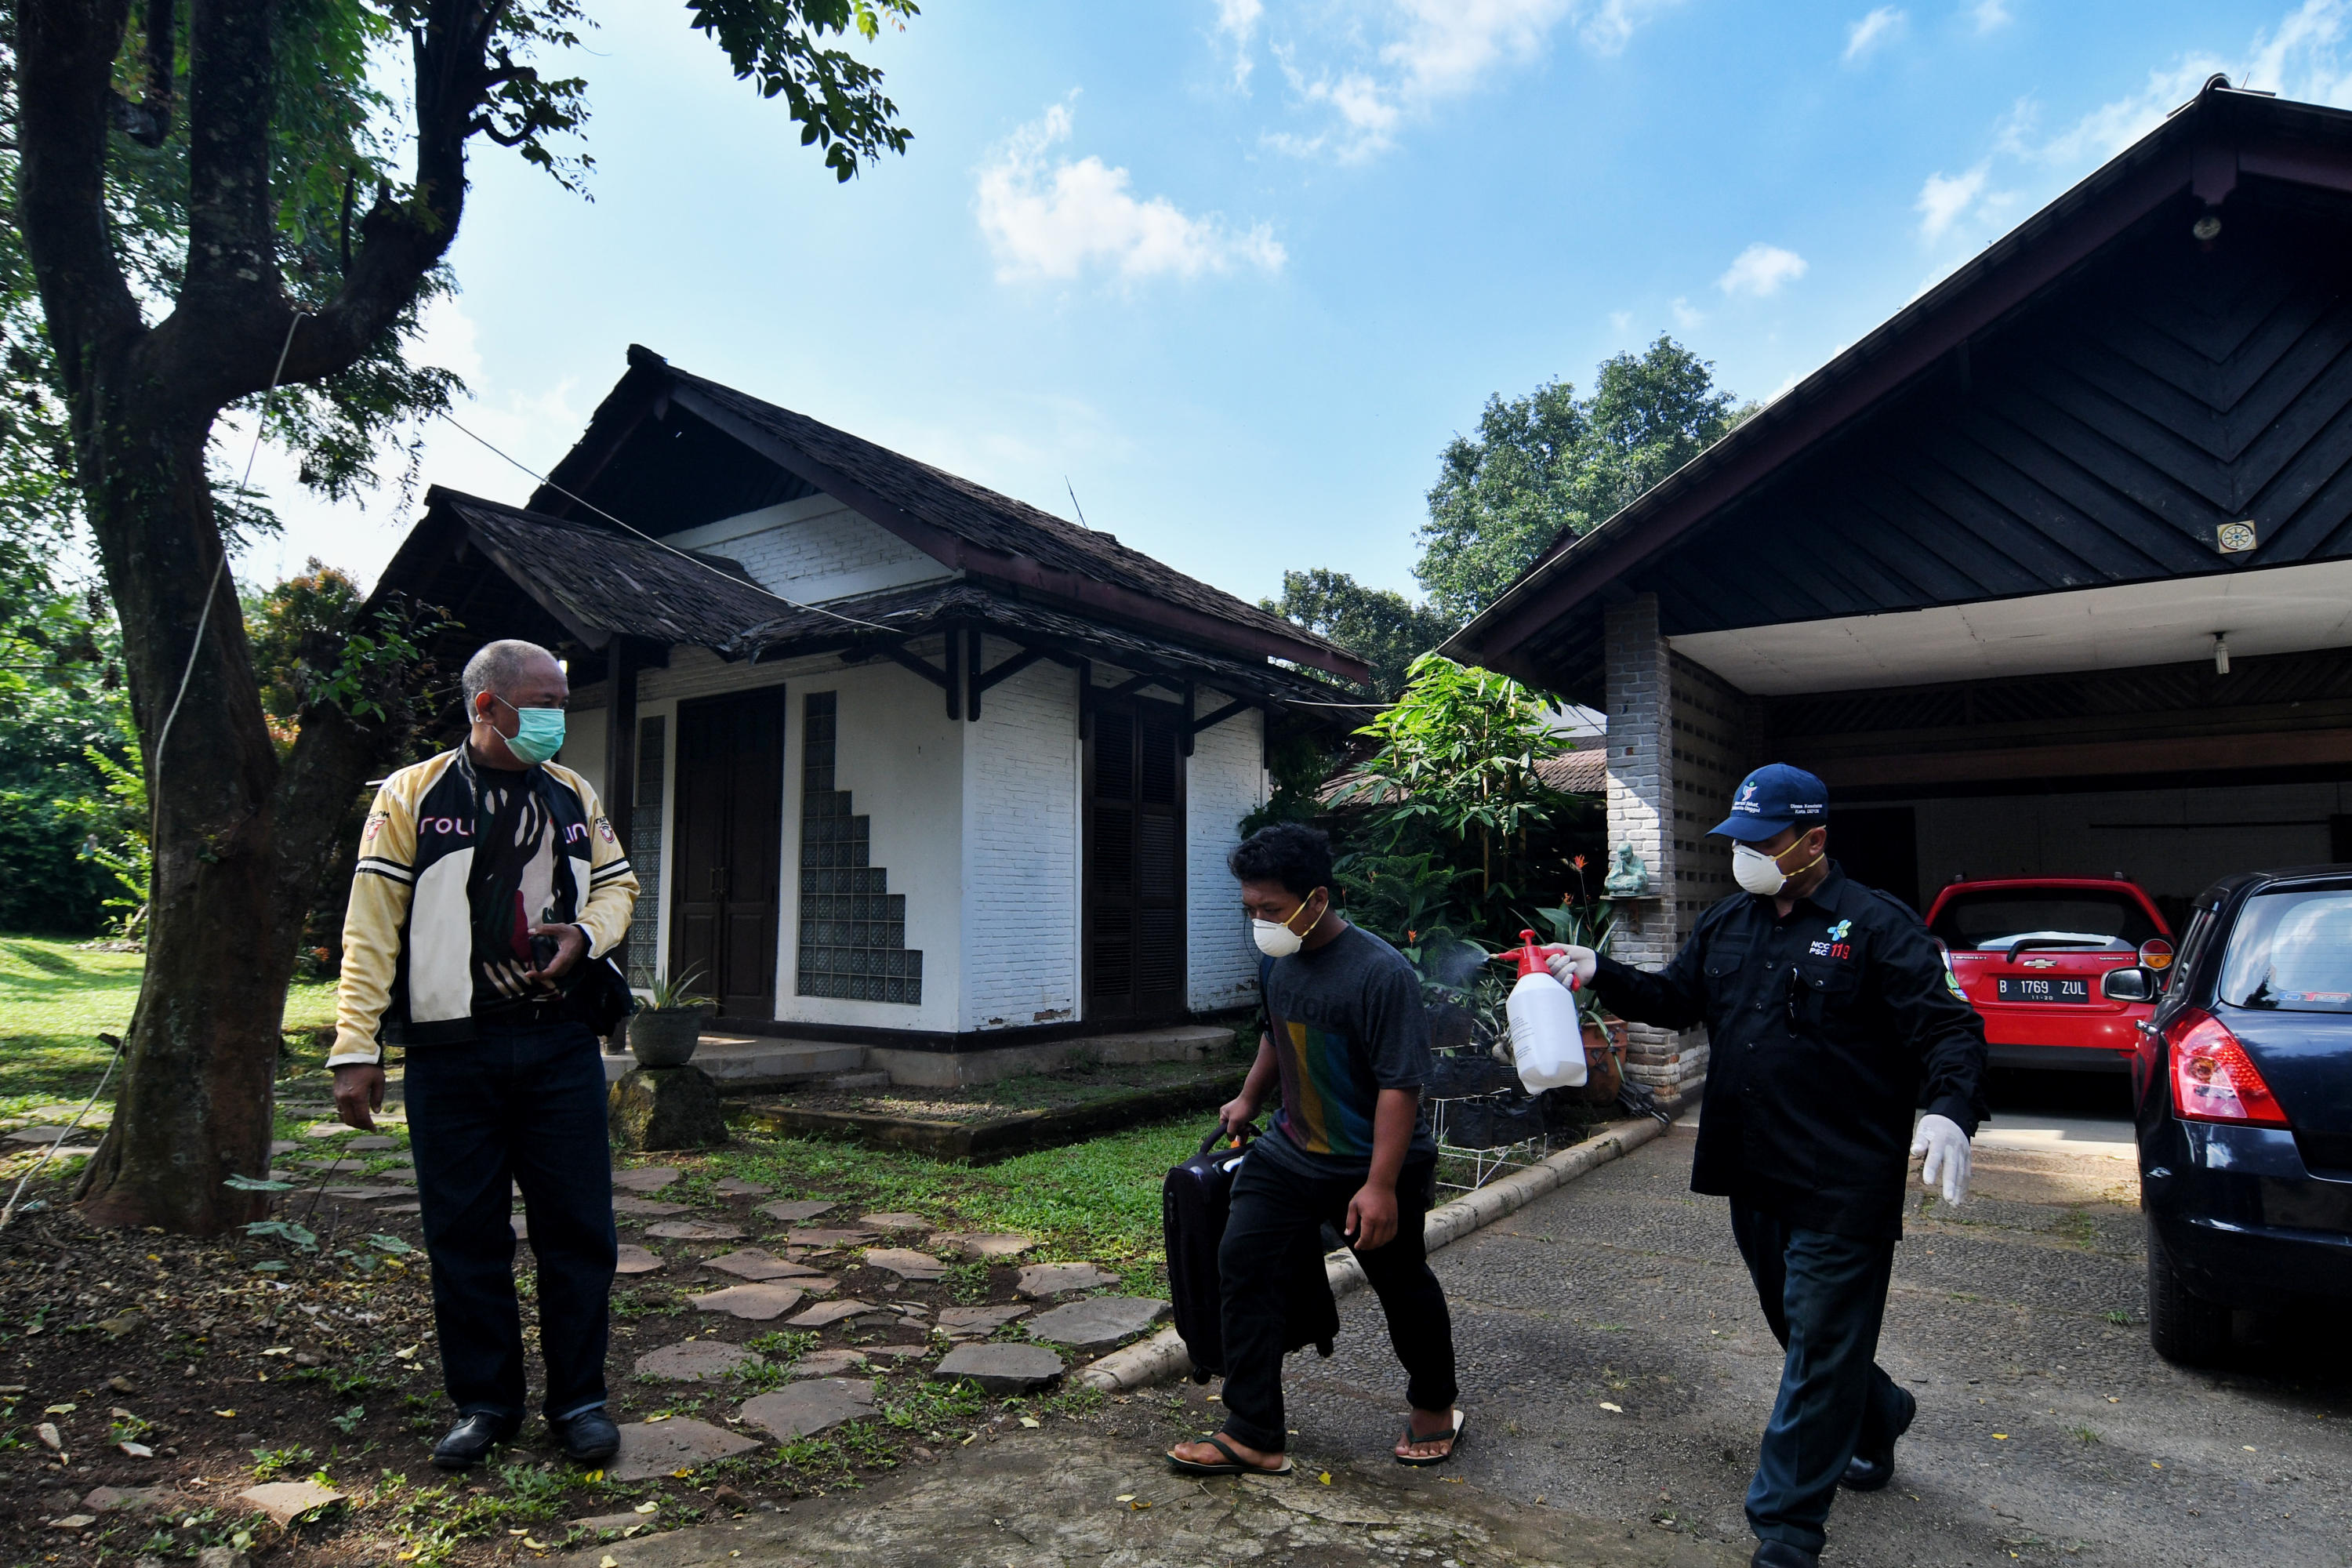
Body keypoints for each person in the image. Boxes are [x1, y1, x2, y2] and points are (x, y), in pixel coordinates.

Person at [1545, 764, 1985, 1568]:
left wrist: (1949, 1110)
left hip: (1844, 1175)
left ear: (1814, 841)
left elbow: (1951, 1028)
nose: (1744, 853)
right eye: (1738, 838)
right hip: (1753, 1165)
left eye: (1763, 840)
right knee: (1801, 1328)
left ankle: (1785, 1533)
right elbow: (1677, 1000)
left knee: (1817, 1346)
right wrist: (1598, 971)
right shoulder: (1728, 922)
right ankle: (1879, 1410)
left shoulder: (1875, 925)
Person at [326, 638, 640, 1471]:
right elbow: (371, 926)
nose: (557, 718)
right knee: (464, 1235)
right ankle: (485, 1402)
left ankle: (579, 1401)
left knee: (579, 1231)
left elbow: (618, 883)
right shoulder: (414, 793)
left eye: (563, 704)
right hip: (450, 1050)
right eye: (543, 704)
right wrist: (356, 1045)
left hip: (559, 1044)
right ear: (487, 706)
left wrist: (587, 934)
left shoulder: (572, 792)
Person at [1166, 822, 1463, 1477]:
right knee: (1241, 1263)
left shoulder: (1380, 973)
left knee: (1400, 1284)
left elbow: (1400, 1086)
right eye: (1250, 909)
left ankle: (1435, 1405)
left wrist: (1380, 1186)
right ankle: (1253, 1432)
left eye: (1271, 909)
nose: (1259, 923)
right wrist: (1249, 1098)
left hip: (1374, 1161)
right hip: (1291, 1150)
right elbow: (1275, 1034)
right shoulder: (1276, 960)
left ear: (1317, 899)